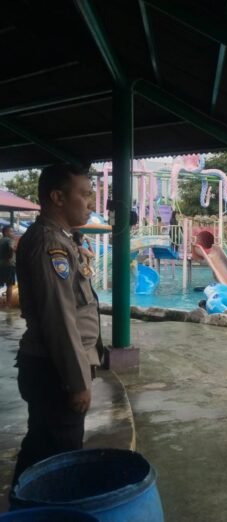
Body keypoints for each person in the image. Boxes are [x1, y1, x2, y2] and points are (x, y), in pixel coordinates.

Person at [12, 164, 102, 487]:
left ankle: (24, 504)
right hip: (55, 372)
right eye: (84, 194)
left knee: (42, 450)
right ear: (57, 198)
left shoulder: (63, 239)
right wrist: (77, 381)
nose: (90, 202)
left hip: (53, 368)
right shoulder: (51, 244)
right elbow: (59, 318)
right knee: (60, 458)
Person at [0, 226, 17, 308]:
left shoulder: (1, 240)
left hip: (1, 265)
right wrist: (10, 256)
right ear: (6, 232)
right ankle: (8, 304)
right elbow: (11, 248)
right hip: (9, 265)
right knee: (9, 285)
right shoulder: (10, 240)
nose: (13, 233)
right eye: (11, 231)